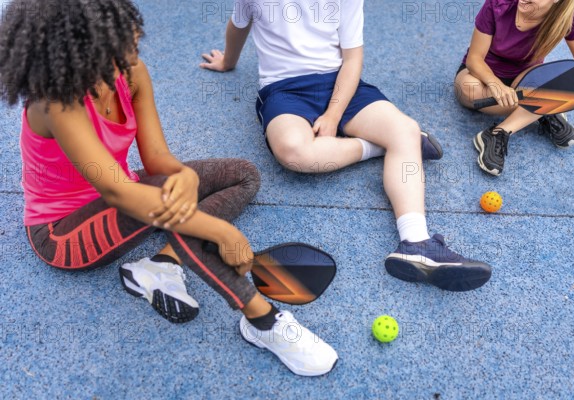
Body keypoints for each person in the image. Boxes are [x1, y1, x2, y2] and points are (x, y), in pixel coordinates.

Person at [0, 0, 338, 376]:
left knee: (243, 175)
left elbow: (159, 160)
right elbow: (119, 194)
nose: (133, 51)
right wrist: (217, 229)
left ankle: (162, 264)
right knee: (174, 207)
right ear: (81, 53)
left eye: (132, 40)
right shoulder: (58, 103)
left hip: (129, 192)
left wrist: (186, 176)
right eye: (119, 47)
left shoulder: (131, 72)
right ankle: (262, 320)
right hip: (62, 234)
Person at [200, 0, 493, 293]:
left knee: (405, 129)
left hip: (340, 83)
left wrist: (332, 115)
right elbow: (239, 24)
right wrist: (228, 61)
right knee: (294, 152)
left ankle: (416, 242)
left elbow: (352, 60)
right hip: (283, 89)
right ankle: (377, 146)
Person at [455, 0, 574, 176]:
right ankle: (544, 110)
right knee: (468, 90)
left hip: (526, 77)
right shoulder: (497, 4)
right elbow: (474, 59)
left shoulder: (568, 13)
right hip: (483, 75)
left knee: (548, 88)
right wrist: (496, 85)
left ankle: (497, 133)